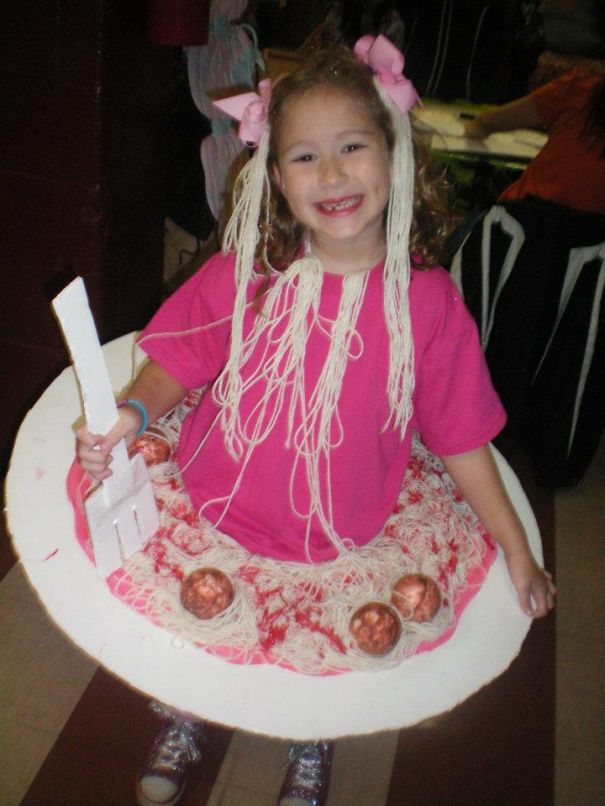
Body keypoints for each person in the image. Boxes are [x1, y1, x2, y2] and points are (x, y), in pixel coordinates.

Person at [76, 36, 556, 806]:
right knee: (205, 616)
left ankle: (311, 734)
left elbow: (462, 438)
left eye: (352, 146)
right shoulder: (248, 275)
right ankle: (191, 711)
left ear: (394, 155)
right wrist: (132, 413)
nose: (330, 174)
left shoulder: (427, 303)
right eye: (304, 156)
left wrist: (516, 548)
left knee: (327, 642)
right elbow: (178, 362)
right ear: (275, 178)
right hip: (217, 504)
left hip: (343, 529)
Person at [464, 68, 605, 216]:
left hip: (523, 217)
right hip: (589, 227)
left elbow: (488, 122)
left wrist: (476, 125)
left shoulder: (582, 88)